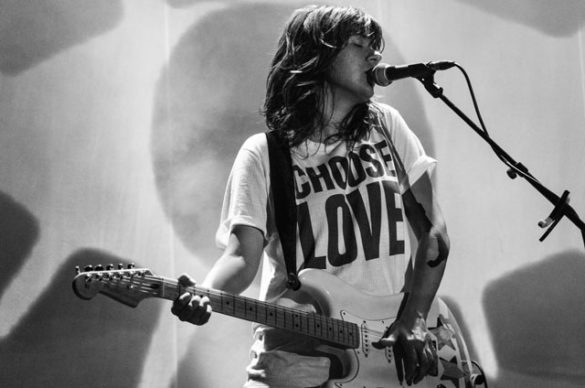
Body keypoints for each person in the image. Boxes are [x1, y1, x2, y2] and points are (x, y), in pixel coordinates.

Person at [171, 5, 450, 388]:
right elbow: (240, 257)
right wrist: (206, 293)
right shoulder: (265, 154)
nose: (375, 56)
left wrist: (415, 318)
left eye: (375, 46)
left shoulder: (386, 129)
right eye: (358, 44)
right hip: (293, 361)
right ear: (316, 57)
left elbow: (434, 234)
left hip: (380, 356)